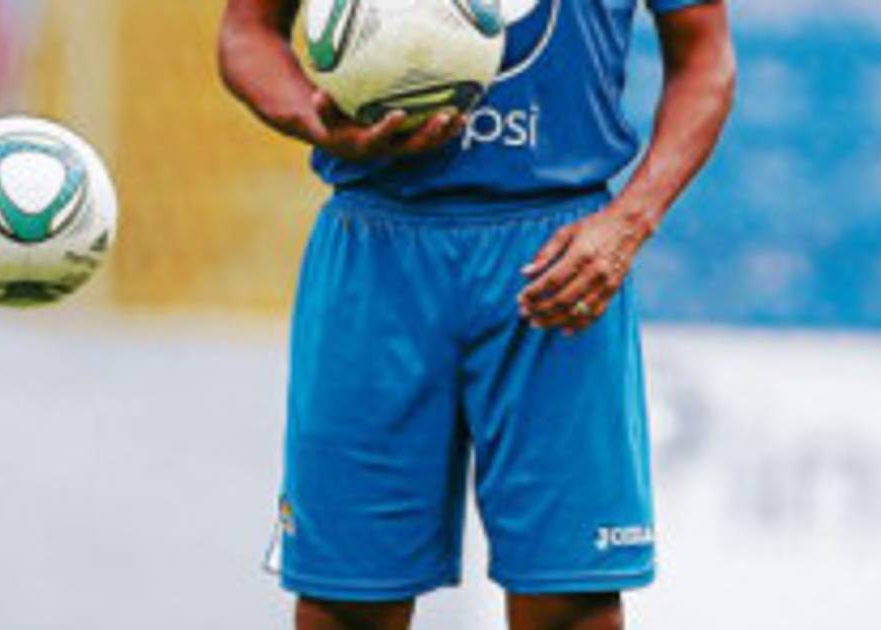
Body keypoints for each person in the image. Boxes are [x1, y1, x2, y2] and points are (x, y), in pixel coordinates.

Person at [218, 0, 735, 627]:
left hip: (558, 254)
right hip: (377, 251)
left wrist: (630, 222)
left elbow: (704, 54)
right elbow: (247, 31)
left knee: (570, 602)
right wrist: (315, 119)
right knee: (345, 602)